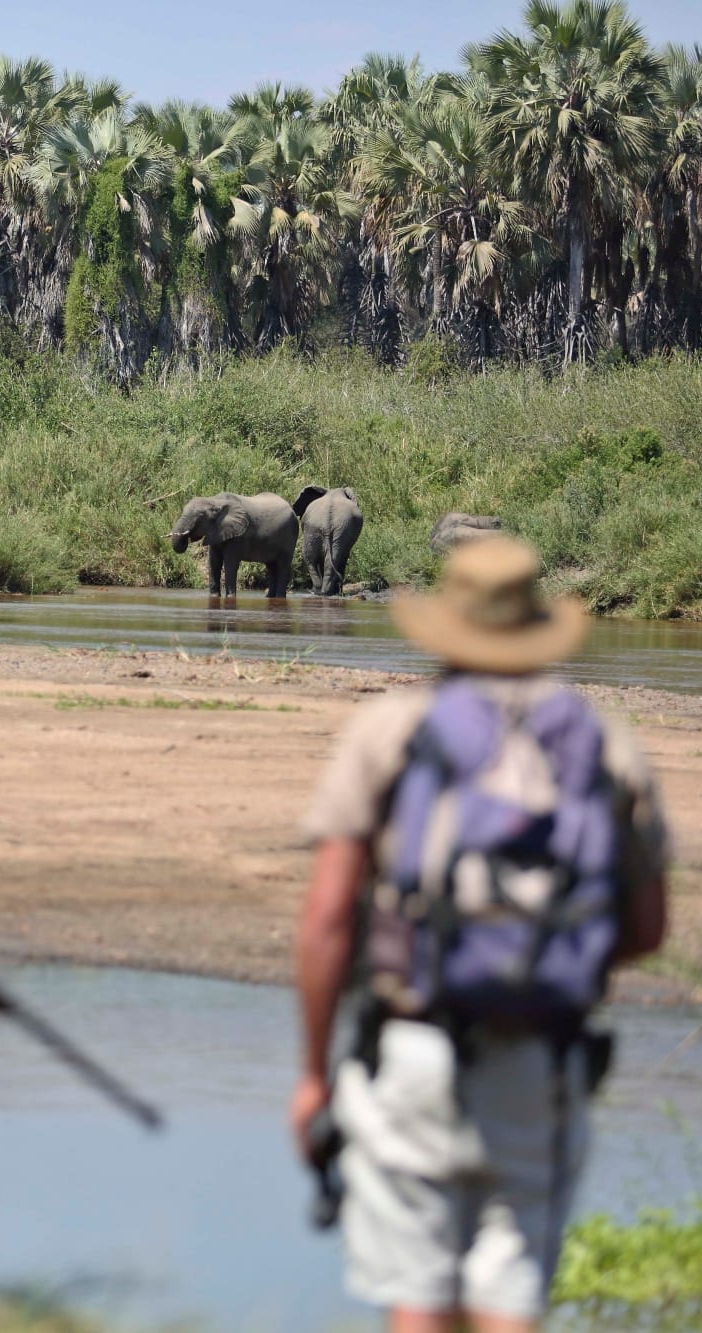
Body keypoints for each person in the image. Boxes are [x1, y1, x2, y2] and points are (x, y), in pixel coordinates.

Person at [290, 538, 669, 1333]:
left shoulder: (391, 730)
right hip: (542, 1058)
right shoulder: (604, 742)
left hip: (413, 1053)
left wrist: (314, 1074)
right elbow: (644, 929)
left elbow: (327, 918)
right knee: (511, 1296)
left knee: (420, 1299)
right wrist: (542, 959)